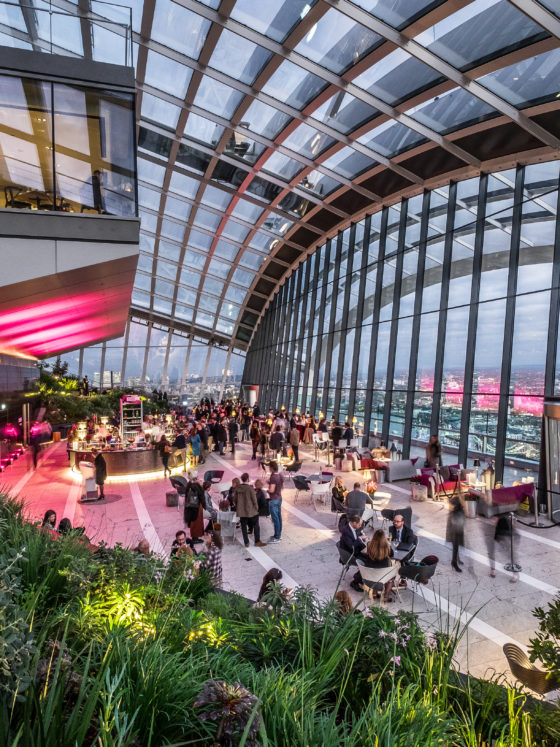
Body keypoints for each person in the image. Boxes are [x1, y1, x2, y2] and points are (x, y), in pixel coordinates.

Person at [363, 530, 396, 603]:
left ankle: (374, 593)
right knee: (392, 576)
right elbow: (392, 555)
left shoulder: (369, 544)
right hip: (383, 576)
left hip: (370, 575)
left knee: (376, 571)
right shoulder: (387, 547)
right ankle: (386, 596)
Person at [234, 473, 266, 548]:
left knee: (243, 527)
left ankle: (246, 543)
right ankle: (257, 541)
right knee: (256, 525)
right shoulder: (250, 488)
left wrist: (238, 507)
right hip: (251, 511)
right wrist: (256, 508)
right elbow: (254, 500)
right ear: (248, 479)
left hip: (242, 511)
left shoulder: (238, 488)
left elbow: (235, 499)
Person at [184, 471, 205, 544]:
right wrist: (200, 486)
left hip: (192, 506)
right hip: (195, 507)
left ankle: (195, 537)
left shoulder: (189, 484)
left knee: (195, 522)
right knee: (196, 522)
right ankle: (195, 538)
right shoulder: (194, 485)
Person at [267, 461, 284, 543]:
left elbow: (272, 490)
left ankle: (277, 537)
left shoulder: (273, 477)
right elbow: (280, 485)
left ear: (272, 468)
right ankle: (278, 535)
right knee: (279, 517)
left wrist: (267, 490)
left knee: (275, 519)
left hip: (274, 500)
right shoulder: (279, 475)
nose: (268, 468)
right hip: (279, 498)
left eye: (269, 467)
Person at [446, 497, 465, 573]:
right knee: (455, 547)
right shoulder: (453, 512)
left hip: (458, 530)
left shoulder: (459, 510)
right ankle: (454, 562)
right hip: (454, 531)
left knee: (457, 546)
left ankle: (457, 559)